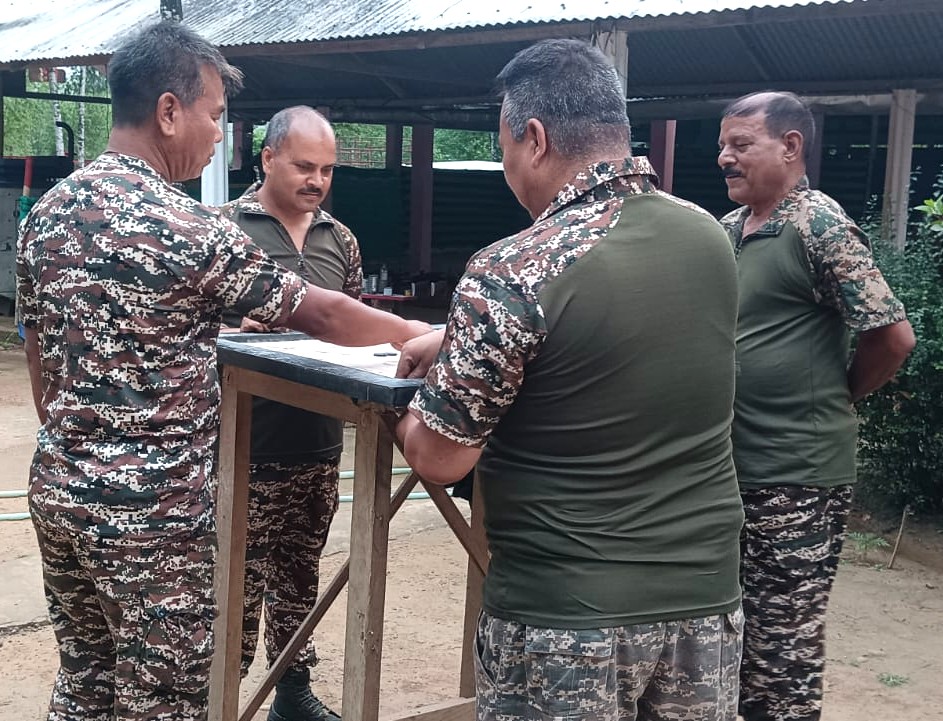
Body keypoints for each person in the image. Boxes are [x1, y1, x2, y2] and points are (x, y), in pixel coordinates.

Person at [15, 21, 429, 721]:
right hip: (154, 515)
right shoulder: (189, 227)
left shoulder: (47, 214)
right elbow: (323, 313)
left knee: (84, 681)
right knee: (164, 698)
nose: (216, 135)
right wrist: (426, 333)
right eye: (213, 115)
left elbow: (37, 357)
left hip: (57, 488)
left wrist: (78, 445)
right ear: (168, 111)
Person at [396, 39, 745, 721]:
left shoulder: (511, 268)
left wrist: (409, 408)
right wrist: (462, 340)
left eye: (503, 147)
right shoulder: (707, 236)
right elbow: (621, 340)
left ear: (533, 138)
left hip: (567, 617)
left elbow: (439, 458)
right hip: (703, 606)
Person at [717, 91, 916, 721]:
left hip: (794, 475)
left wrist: (840, 394)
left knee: (781, 652)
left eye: (740, 144)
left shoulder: (816, 225)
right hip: (727, 469)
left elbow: (892, 337)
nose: (724, 157)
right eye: (722, 146)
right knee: (727, 635)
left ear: (791, 146)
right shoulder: (729, 232)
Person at [219, 106, 358, 721]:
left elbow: (350, 327)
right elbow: (182, 333)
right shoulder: (223, 231)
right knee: (235, 584)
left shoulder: (340, 240)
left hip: (318, 443)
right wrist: (232, 330)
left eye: (327, 170)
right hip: (246, 446)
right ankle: (225, 701)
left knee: (300, 574)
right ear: (268, 157)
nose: (316, 181)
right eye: (304, 166)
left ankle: (292, 694)